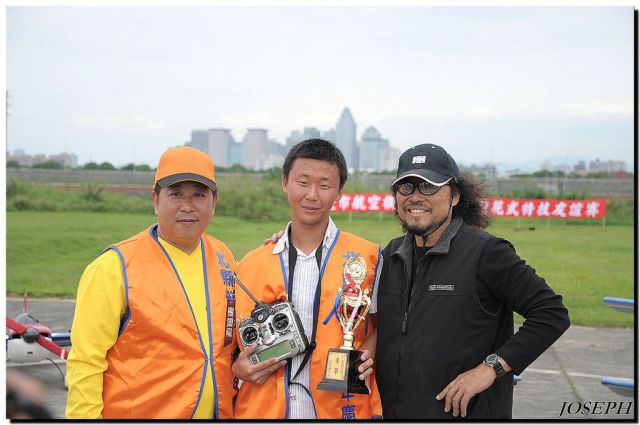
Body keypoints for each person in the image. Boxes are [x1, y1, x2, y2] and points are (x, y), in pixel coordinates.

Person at [375, 143, 570, 419]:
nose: (415, 197)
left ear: (455, 196)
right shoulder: (391, 254)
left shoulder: (487, 253)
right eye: (406, 187)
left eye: (428, 187)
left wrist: (491, 368)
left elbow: (551, 313)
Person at [65, 147, 237, 419]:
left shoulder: (224, 258)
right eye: (176, 194)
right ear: (155, 200)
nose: (187, 206)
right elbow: (85, 360)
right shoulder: (114, 267)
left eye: (199, 195)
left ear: (214, 202)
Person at [231, 139, 383, 419]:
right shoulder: (249, 265)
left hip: (340, 409)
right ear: (285, 183)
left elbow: (387, 324)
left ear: (339, 191)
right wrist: (237, 369)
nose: (312, 195)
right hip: (263, 411)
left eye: (325, 185)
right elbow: (227, 348)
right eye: (303, 182)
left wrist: (366, 354)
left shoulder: (367, 258)